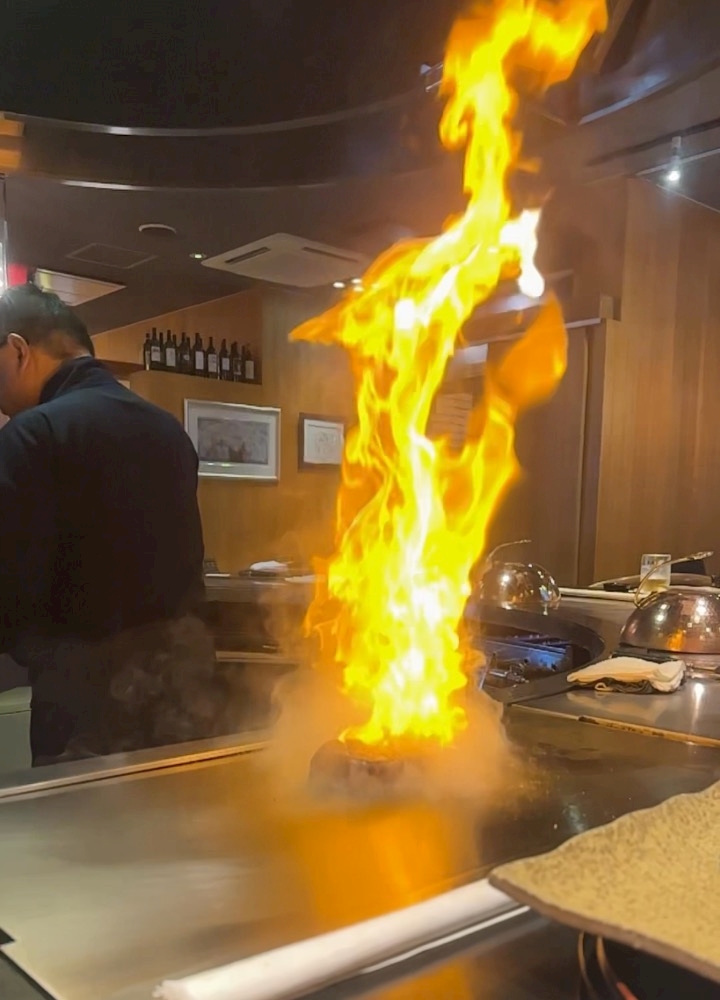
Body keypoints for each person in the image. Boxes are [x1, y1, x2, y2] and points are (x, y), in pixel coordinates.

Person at [0, 283, 225, 764]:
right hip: (182, 688)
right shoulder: (168, 430)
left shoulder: (33, 434)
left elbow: (12, 586)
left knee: (84, 813)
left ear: (18, 351)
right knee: (181, 805)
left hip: (83, 701)